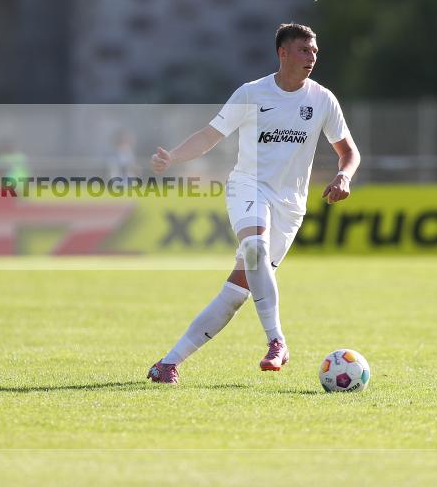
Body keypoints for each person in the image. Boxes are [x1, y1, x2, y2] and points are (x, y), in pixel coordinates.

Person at [147, 23, 360, 383]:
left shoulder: (322, 99)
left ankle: (168, 363)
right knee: (255, 248)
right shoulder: (251, 93)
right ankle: (277, 341)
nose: (312, 58)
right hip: (248, 188)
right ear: (283, 53)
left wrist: (344, 176)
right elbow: (209, 136)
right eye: (305, 51)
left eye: (315, 52)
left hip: (290, 205)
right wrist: (173, 158)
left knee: (236, 293)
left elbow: (348, 152)